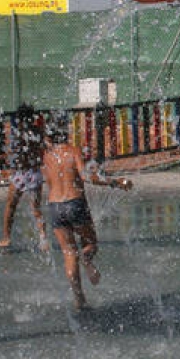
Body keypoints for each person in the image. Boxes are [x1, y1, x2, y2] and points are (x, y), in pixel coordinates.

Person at [41, 115, 132, 310]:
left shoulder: (46, 157)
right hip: (74, 203)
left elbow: (48, 184)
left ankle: (79, 299)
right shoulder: (72, 151)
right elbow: (85, 176)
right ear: (65, 132)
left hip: (55, 207)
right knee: (90, 243)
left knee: (68, 253)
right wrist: (114, 182)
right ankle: (86, 259)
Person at [0, 103, 48, 250]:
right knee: (36, 208)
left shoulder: (16, 132)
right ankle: (43, 238)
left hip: (20, 173)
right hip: (34, 172)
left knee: (11, 206)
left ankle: (6, 237)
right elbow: (41, 150)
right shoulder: (37, 131)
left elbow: (14, 154)